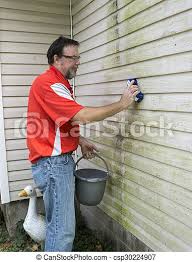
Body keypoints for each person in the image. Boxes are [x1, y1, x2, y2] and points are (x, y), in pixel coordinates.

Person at [27, 36, 138, 252]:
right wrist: (122, 103)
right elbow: (82, 116)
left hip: (54, 163)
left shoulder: (59, 84)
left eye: (79, 57)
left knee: (57, 226)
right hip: (54, 165)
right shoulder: (48, 84)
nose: (78, 62)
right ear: (57, 58)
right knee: (62, 231)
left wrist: (79, 140)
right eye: (73, 57)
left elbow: (59, 122)